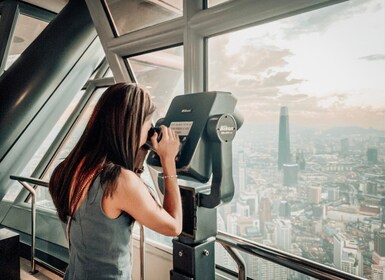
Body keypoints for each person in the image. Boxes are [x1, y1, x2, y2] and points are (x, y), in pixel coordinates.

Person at [49, 83, 182, 279]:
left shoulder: (65, 170)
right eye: (148, 124)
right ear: (133, 127)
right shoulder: (119, 181)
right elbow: (173, 227)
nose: (150, 132)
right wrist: (168, 160)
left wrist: (138, 155)